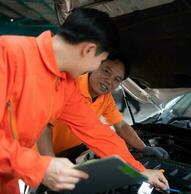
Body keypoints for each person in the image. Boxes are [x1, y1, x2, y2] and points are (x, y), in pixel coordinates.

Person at [0, 8, 168, 194]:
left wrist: (139, 170)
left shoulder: (65, 83)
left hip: (8, 183)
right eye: (101, 62)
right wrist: (40, 166)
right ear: (88, 50)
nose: (96, 69)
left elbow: (96, 132)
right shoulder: (7, 56)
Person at [38, 53, 169, 160]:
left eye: (117, 79)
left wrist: (144, 148)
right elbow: (43, 123)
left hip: (70, 156)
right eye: (106, 71)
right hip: (39, 153)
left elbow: (121, 125)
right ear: (94, 66)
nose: (109, 80)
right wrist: (50, 161)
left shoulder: (106, 99)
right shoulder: (69, 84)